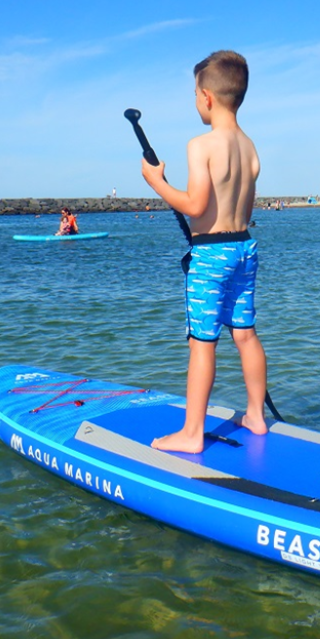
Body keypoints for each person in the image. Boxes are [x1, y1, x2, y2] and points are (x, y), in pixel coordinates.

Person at [140, 50, 267, 454]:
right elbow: (243, 212)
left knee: (202, 342)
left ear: (207, 97)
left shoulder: (201, 145)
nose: (196, 101)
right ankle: (256, 417)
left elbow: (194, 206)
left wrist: (156, 182)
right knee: (245, 334)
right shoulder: (250, 148)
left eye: (195, 94)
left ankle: (192, 434)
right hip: (245, 248)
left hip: (211, 255)